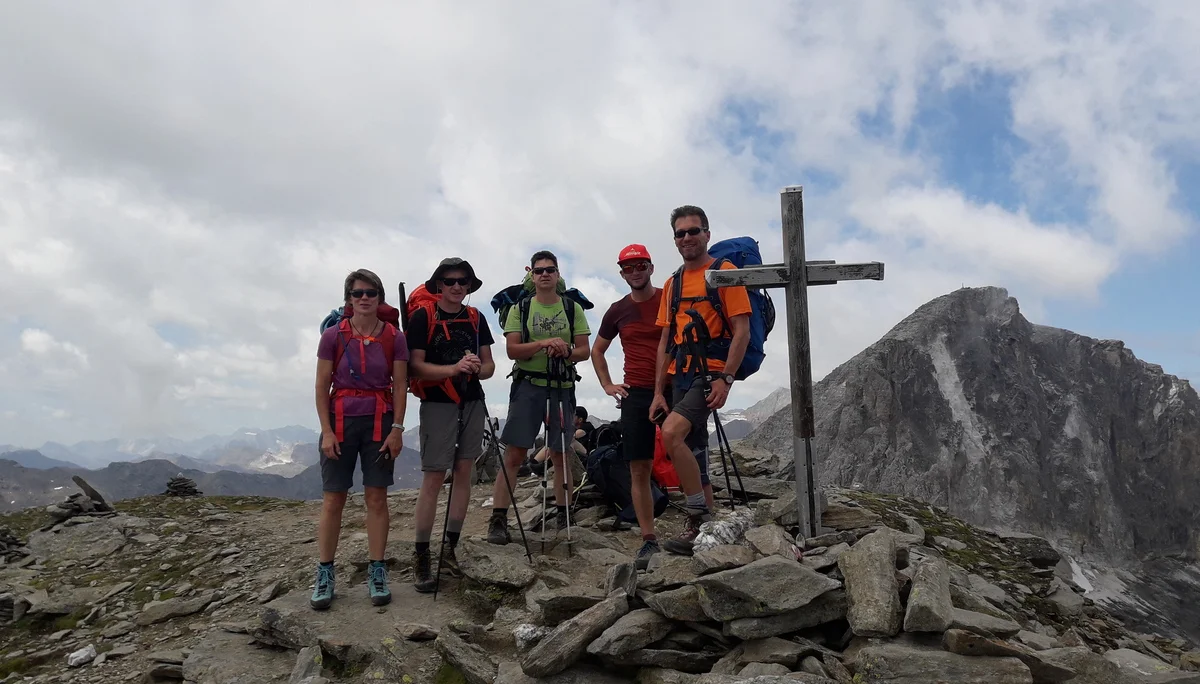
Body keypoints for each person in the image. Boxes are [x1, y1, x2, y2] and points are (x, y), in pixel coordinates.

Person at [651, 206, 752, 556]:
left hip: (709, 373)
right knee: (694, 450)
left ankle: (697, 516)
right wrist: (657, 392)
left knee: (672, 434)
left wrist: (726, 378)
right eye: (680, 233)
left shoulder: (725, 273)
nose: (687, 238)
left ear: (707, 234)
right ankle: (705, 532)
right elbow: (665, 341)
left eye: (693, 231)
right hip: (680, 374)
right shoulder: (672, 283)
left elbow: (742, 330)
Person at [312, 268, 409, 609]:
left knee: (377, 497)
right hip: (340, 422)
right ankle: (325, 572)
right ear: (348, 299)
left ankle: (377, 570)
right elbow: (321, 386)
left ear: (379, 297)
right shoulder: (333, 337)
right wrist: (325, 430)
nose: (364, 298)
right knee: (333, 499)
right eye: (358, 293)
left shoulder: (394, 337)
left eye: (370, 293)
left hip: (379, 422)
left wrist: (397, 428)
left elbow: (400, 387)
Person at [487, 250, 592, 544]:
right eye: (539, 270)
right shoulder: (521, 308)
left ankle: (563, 513)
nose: (544, 274)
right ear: (532, 276)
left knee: (560, 452)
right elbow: (512, 350)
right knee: (515, 453)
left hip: (561, 385)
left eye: (549, 270)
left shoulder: (573, 309)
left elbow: (583, 350)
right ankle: (498, 519)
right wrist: (546, 343)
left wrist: (566, 351)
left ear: (557, 275)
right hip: (528, 385)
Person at [405, 258, 495, 593]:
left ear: (469, 286)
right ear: (438, 285)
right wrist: (454, 369)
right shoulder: (422, 317)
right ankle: (423, 554)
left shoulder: (476, 318)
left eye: (463, 281)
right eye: (450, 281)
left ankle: (451, 547)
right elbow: (414, 367)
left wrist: (474, 368)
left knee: (464, 470)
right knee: (433, 476)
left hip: (471, 399)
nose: (457, 286)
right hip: (438, 404)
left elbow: (489, 367)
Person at [591, 243, 668, 565]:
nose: (635, 272)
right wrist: (607, 385)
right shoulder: (617, 309)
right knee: (639, 466)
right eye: (628, 268)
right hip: (636, 392)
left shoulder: (668, 298)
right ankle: (648, 538)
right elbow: (597, 350)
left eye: (640, 266)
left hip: (673, 387)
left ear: (650, 267)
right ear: (622, 273)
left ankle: (700, 522)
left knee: (689, 453)